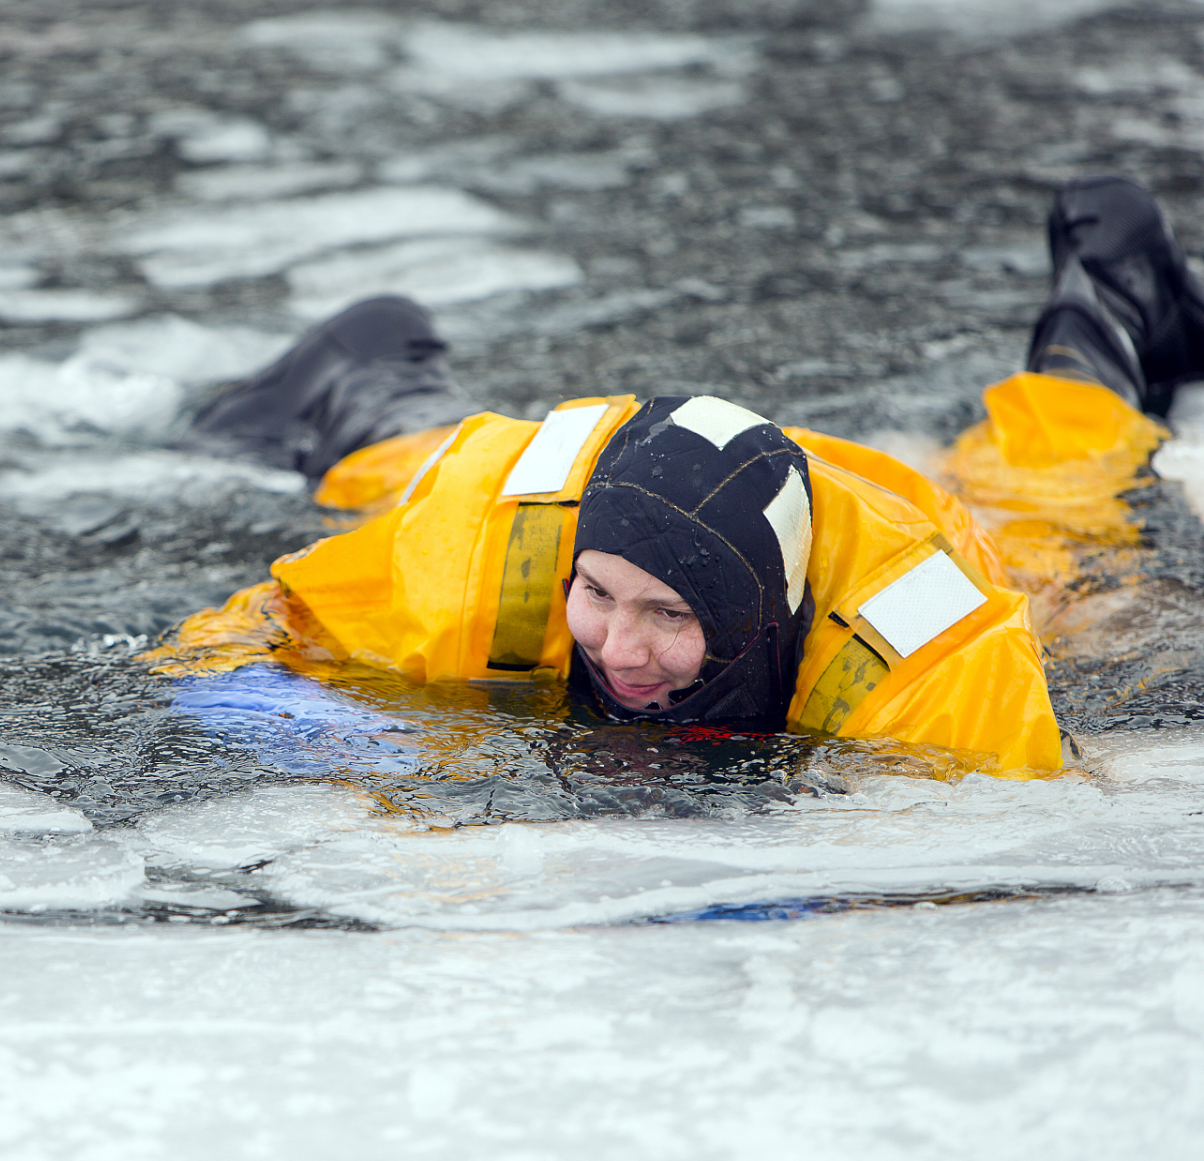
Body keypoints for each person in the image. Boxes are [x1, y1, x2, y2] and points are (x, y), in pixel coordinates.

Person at [153, 176, 1202, 780]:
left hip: (890, 534)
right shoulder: (504, 537)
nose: (618, 645)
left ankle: (1111, 293)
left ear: (749, 615)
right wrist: (381, 755)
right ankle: (367, 373)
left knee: (1061, 510)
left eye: (668, 614)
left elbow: (998, 846)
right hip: (614, 468)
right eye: (599, 594)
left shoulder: (936, 655)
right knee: (426, 495)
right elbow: (231, 641)